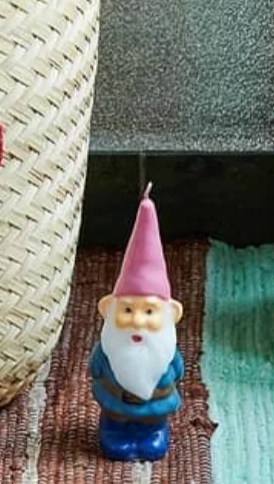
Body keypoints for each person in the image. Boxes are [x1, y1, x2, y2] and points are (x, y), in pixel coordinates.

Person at [90, 186, 184, 462]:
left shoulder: (167, 353)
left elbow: (177, 371)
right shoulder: (107, 350)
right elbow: (96, 368)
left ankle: (153, 433)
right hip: (115, 407)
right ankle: (115, 433)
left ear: (172, 314)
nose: (137, 322)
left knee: (152, 433)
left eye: (149, 312)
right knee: (115, 429)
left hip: (155, 410)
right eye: (128, 310)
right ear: (107, 308)